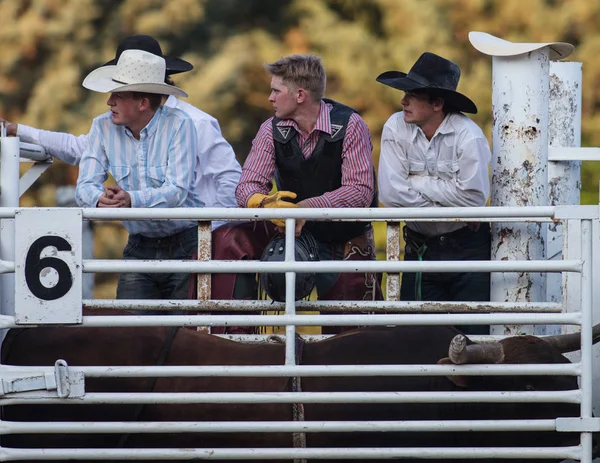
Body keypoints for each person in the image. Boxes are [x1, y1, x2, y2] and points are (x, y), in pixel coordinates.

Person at [210, 54, 382, 335]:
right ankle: (235, 341)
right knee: (229, 238)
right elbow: (246, 186)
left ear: (300, 95)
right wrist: (266, 203)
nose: (270, 98)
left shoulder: (351, 124)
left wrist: (305, 208)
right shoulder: (270, 129)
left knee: (351, 337)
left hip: (343, 235)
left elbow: (360, 191)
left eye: (276, 90)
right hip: (291, 232)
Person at [1, 35, 241, 220]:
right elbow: (77, 148)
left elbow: (229, 179)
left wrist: (213, 232)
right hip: (150, 237)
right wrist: (19, 130)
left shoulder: (197, 123)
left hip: (196, 236)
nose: (111, 99)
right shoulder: (113, 127)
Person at [376, 52, 492, 335]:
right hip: (421, 247)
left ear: (437, 103)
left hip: (467, 251)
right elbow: (390, 194)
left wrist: (415, 181)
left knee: (471, 338)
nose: (403, 101)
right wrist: (449, 199)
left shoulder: (469, 136)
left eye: (412, 94)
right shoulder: (395, 126)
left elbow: (474, 198)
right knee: (416, 338)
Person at [75, 49, 201, 301]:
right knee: (131, 327)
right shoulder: (101, 126)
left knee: (183, 333)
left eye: (117, 96)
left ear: (142, 103)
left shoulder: (180, 124)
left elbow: (177, 191)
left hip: (186, 244)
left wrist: (130, 199)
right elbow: (84, 185)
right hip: (139, 243)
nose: (109, 102)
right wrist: (101, 199)